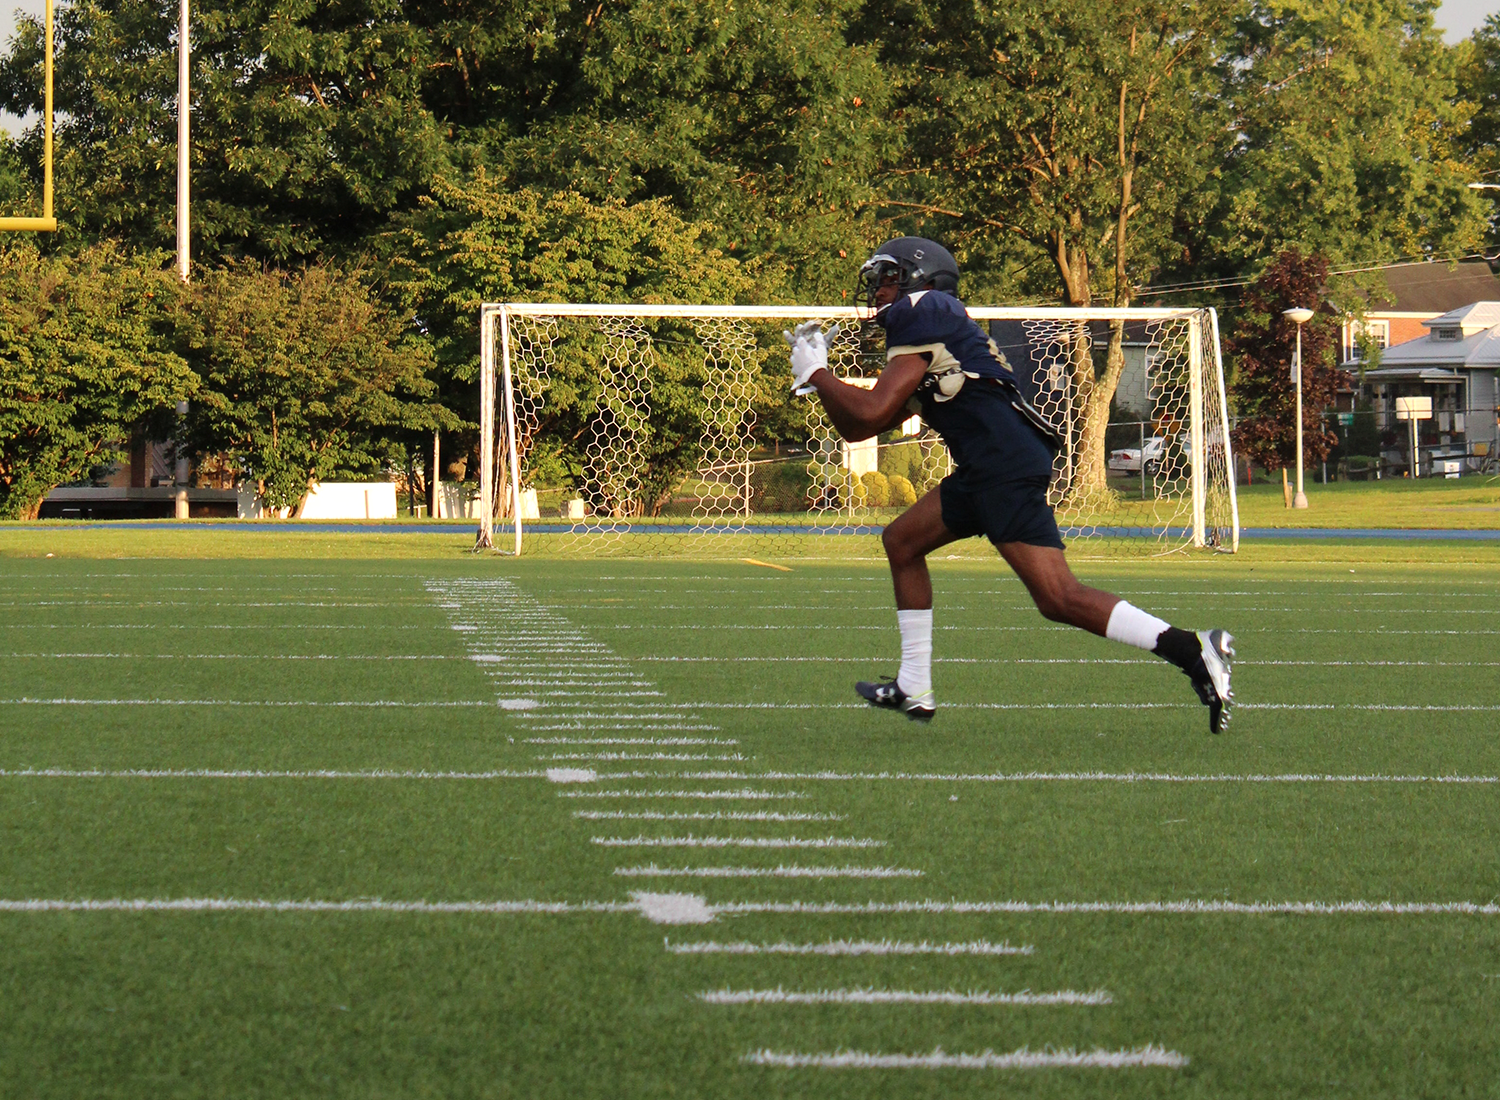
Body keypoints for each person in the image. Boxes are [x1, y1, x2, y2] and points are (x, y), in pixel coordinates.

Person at [784, 236, 1234, 732]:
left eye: (888, 276)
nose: (878, 289)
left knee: (1058, 597)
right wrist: (818, 380)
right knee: (902, 541)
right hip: (989, 464)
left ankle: (1193, 648)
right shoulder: (935, 327)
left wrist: (821, 374)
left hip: (1001, 462)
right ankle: (915, 683)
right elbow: (860, 426)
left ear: (921, 279)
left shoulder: (927, 308)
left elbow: (868, 409)